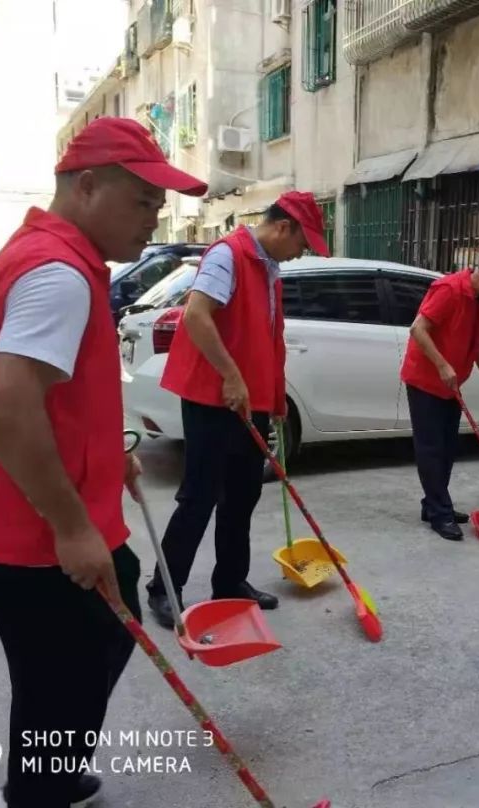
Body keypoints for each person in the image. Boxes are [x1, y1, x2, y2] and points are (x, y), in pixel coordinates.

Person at [0, 117, 207, 808]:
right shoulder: (58, 274)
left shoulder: (42, 253)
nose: (153, 221)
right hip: (36, 534)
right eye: (143, 202)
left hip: (33, 516)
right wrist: (70, 525)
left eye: (161, 207)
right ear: (89, 184)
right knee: (56, 682)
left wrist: (108, 455)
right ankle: (35, 793)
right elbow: (7, 408)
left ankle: (53, 774)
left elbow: (59, 392)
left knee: (94, 635)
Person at [145, 192, 330, 628]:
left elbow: (267, 336)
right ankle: (164, 589)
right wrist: (230, 375)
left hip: (252, 399)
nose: (301, 254)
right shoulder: (227, 255)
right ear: (283, 228)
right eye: (303, 244)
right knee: (199, 496)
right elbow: (196, 316)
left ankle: (230, 582)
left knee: (243, 495)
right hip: (213, 398)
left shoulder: (270, 269)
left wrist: (276, 393)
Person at [400, 252, 479, 541]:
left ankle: (434, 505)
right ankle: (440, 513)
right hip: (426, 380)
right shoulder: (449, 290)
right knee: (431, 449)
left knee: (447, 448)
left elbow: (478, 346)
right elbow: (418, 329)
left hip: (451, 385)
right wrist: (442, 364)